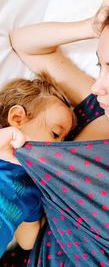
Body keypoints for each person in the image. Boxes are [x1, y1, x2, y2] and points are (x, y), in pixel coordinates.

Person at [4, 0, 109, 266]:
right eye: (99, 66)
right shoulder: (94, 108)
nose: (98, 86)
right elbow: (24, 44)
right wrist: (89, 26)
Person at [0, 72, 75, 258]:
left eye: (63, 143)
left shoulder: (33, 187)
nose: (57, 148)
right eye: (55, 134)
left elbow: (27, 242)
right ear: (17, 118)